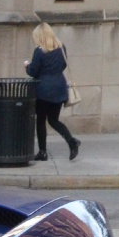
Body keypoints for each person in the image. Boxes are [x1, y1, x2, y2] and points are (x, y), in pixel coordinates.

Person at [25, 23, 81, 161]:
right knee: (54, 120)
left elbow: (33, 72)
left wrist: (27, 66)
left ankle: (42, 152)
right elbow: (63, 65)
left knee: (41, 121)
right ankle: (71, 141)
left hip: (43, 90)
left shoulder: (39, 51)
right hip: (59, 88)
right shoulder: (62, 48)